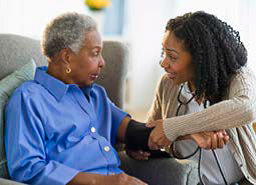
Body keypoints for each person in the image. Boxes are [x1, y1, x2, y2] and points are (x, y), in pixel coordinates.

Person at [4, 12, 229, 185]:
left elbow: (136, 133)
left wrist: (191, 133)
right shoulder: (30, 98)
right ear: (67, 57)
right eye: (95, 53)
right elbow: (27, 168)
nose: (102, 62)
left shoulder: (96, 95)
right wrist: (107, 182)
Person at [145, 11, 256, 185]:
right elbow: (152, 133)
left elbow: (246, 108)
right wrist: (189, 134)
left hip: (245, 181)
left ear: (201, 57)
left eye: (172, 56)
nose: (164, 63)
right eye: (164, 53)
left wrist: (174, 127)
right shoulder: (167, 84)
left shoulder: (238, 76)